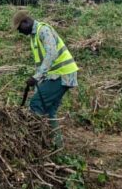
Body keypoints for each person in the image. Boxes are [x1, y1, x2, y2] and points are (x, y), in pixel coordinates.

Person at [12, 10, 78, 148]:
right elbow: (42, 62)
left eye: (19, 28)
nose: (19, 32)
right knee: (49, 110)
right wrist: (37, 82)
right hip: (57, 75)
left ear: (26, 22)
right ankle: (57, 147)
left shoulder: (43, 30)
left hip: (62, 74)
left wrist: (36, 77)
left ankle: (34, 145)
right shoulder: (34, 36)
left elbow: (51, 54)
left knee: (36, 104)